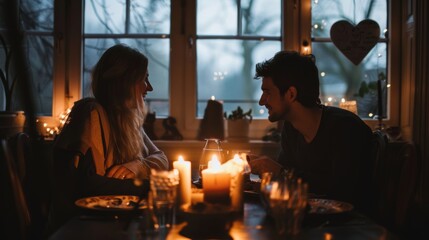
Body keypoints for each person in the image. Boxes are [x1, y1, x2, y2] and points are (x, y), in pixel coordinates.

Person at [48, 44, 169, 232]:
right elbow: (88, 185)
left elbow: (162, 158)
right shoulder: (90, 112)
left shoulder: (128, 120)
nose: (150, 88)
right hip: (82, 227)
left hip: (115, 221)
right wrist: (152, 187)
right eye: (144, 79)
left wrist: (139, 166)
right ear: (125, 81)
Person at [249, 51, 374, 214]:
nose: (261, 101)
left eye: (268, 92)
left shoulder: (345, 129)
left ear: (291, 94)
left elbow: (342, 194)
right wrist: (257, 184)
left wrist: (280, 172)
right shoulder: (291, 128)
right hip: (309, 221)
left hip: (350, 227)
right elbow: (288, 185)